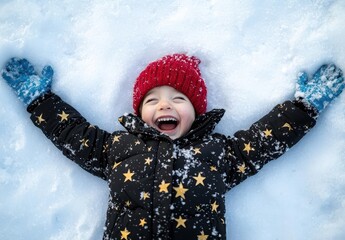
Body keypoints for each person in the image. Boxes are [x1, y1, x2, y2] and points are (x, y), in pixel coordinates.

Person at [1, 54, 344, 240]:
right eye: (152, 100)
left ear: (196, 113)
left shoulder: (218, 153)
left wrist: (303, 109)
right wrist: (40, 100)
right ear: (139, 112)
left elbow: (263, 141)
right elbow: (73, 134)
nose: (164, 106)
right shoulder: (118, 148)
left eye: (178, 99)